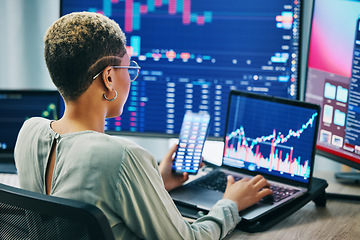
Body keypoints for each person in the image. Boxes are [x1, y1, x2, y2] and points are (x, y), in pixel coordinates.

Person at [14, 12, 272, 239]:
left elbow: (81, 196)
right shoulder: (123, 157)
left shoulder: (29, 134)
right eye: (128, 67)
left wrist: (155, 180)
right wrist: (230, 204)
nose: (131, 77)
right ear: (109, 77)